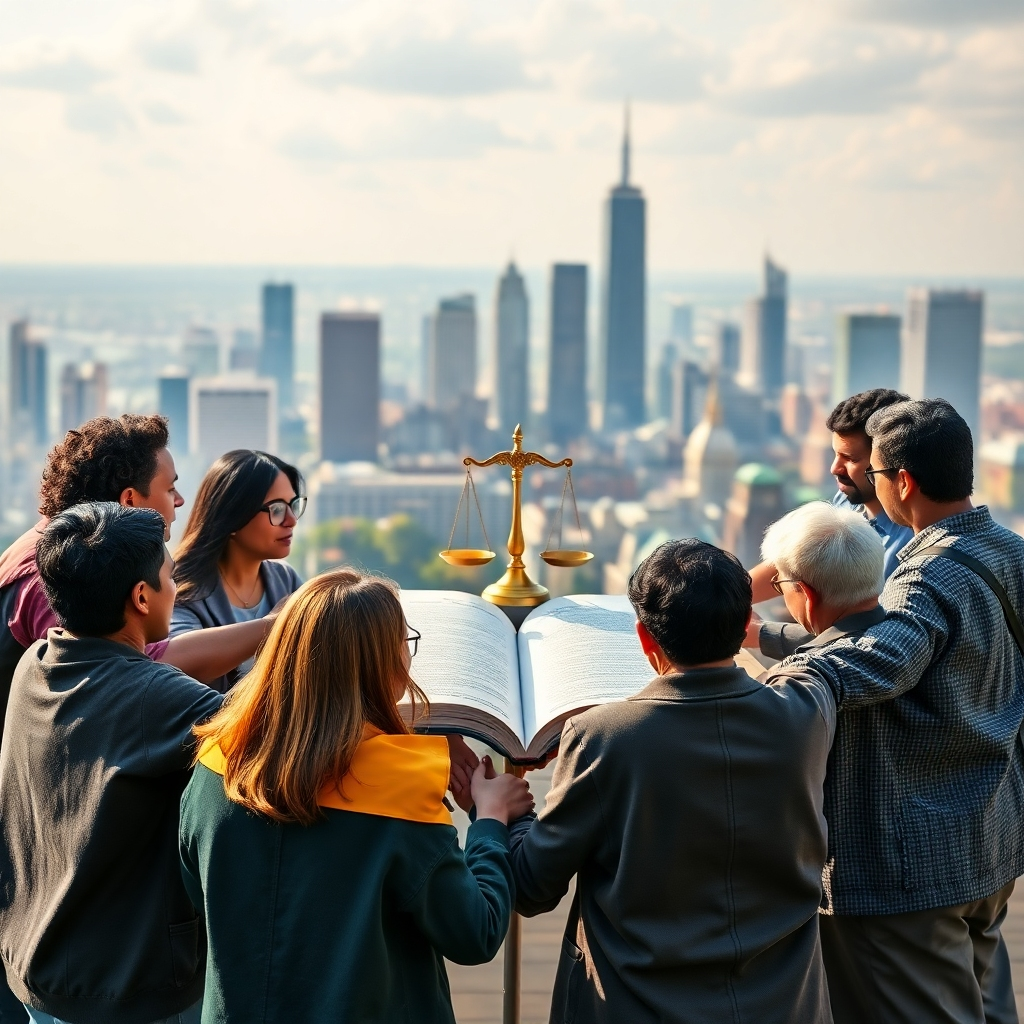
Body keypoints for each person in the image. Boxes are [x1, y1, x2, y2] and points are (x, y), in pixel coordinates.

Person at [767, 398, 1024, 1024]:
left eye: (873, 476)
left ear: (902, 481)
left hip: (910, 865)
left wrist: (774, 686)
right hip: (986, 837)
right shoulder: (1009, 551)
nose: (866, 491)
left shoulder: (925, 577)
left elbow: (883, 660)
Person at [179, 568, 533, 1023]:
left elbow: (196, 887)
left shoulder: (216, 759)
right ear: (383, 666)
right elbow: (474, 931)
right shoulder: (397, 785)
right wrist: (490, 819)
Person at [509, 539, 836, 1024]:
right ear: (741, 623)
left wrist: (505, 817)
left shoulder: (602, 738)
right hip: (785, 1003)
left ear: (644, 638)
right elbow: (833, 637)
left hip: (635, 1003)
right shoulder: (807, 710)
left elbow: (532, 886)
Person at [0, 503, 224, 1024]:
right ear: (141, 597)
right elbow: (283, 741)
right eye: (171, 577)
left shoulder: (34, 667)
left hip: (41, 971)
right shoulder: (161, 698)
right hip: (134, 990)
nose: (177, 589)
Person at [0, 415, 280, 709]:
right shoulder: (56, 569)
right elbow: (135, 669)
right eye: (170, 489)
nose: (180, 500)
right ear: (130, 500)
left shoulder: (62, 546)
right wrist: (274, 624)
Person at [748, 388, 912, 605]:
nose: (835, 468)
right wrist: (725, 601)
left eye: (850, 459)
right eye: (835, 454)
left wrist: (764, 633)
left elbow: (867, 632)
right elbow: (794, 564)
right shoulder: (846, 501)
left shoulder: (909, 543)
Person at [170, 450, 305, 693]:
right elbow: (174, 663)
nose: (292, 520)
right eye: (276, 509)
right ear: (233, 514)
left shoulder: (286, 580)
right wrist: (276, 624)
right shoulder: (179, 588)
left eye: (293, 505)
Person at [750, 500, 885, 661]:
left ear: (808, 597)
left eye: (778, 586)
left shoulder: (805, 674)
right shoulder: (905, 629)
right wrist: (760, 633)